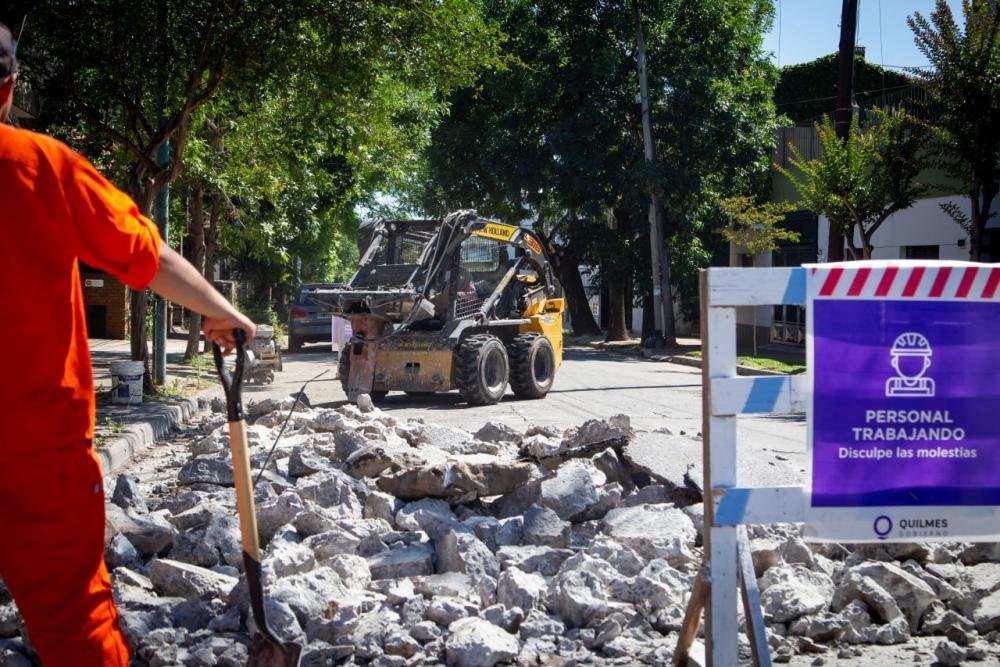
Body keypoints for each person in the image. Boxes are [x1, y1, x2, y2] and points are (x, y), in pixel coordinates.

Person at [0, 22, 254, 665]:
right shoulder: (40, 166)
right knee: (74, 623)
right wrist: (222, 312)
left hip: (38, 450)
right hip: (36, 451)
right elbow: (145, 257)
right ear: (8, 88)